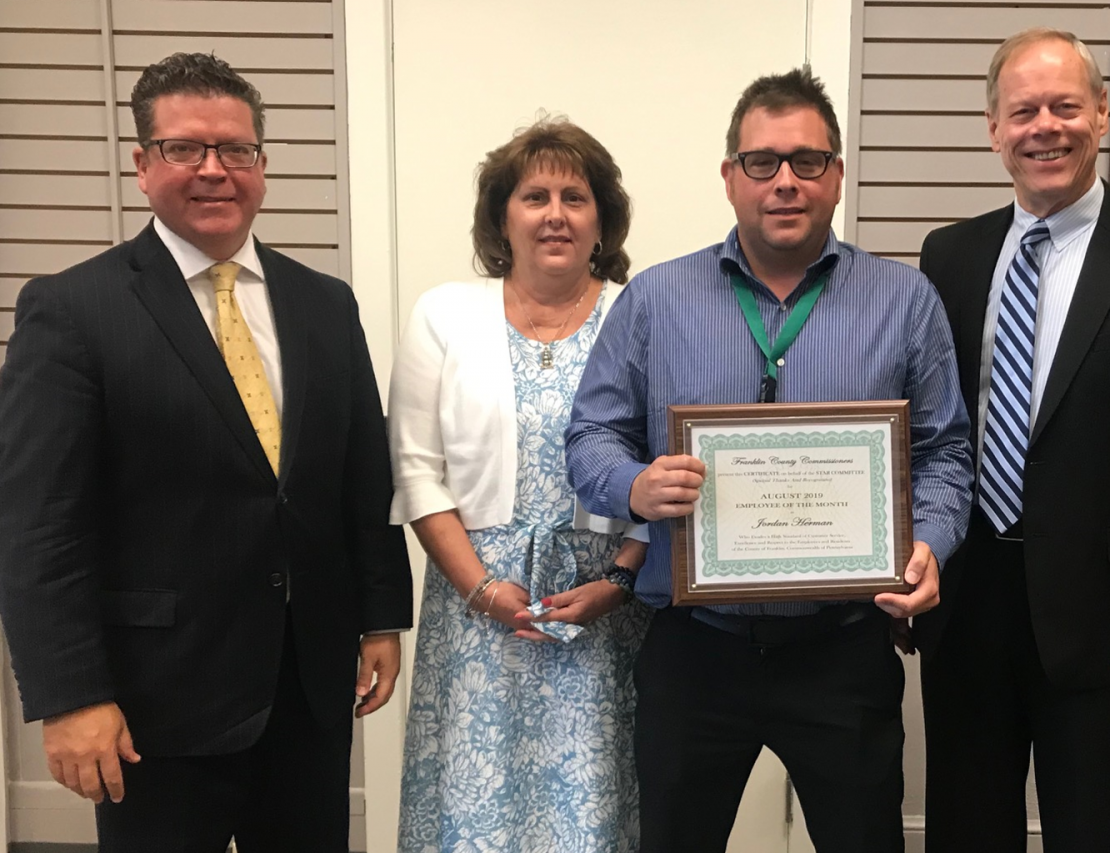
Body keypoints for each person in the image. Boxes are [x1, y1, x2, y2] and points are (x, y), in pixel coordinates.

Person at [0, 52, 412, 850]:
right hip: (152, 704)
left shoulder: (326, 305)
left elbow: (362, 478)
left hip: (308, 686)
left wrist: (381, 618)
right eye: (186, 148)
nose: (214, 170)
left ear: (262, 164)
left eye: (236, 150)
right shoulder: (74, 310)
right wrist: (69, 696)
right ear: (143, 164)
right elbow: (38, 524)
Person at [566, 67, 972, 852]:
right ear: (730, 178)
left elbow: (946, 450)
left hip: (843, 651)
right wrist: (636, 485)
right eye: (762, 162)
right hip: (695, 652)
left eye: (808, 161)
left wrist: (930, 543)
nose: (785, 181)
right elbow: (589, 438)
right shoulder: (654, 298)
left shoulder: (905, 300)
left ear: (838, 176)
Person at [913, 28, 1110, 853]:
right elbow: (925, 428)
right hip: (967, 600)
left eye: (1066, 106)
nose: (1045, 127)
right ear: (993, 128)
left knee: (1089, 832)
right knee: (966, 830)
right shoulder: (948, 255)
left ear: (1103, 114)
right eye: (1024, 110)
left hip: (1106, 616)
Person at [388, 118, 651, 851]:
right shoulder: (444, 315)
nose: (556, 213)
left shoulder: (640, 315)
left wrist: (619, 582)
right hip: (477, 611)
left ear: (604, 219)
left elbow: (669, 462)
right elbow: (416, 468)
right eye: (535, 195)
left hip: (600, 615)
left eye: (576, 196)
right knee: (477, 812)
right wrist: (479, 586)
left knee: (593, 809)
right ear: (503, 216)